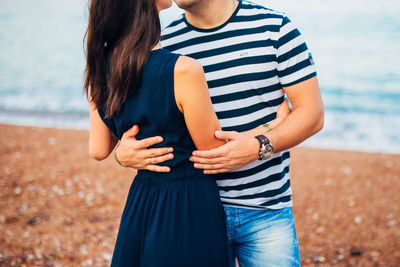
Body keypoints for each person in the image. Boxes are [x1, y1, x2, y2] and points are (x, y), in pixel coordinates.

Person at [115, 0, 324, 266]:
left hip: (265, 209)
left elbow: (312, 113)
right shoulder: (165, 43)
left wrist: (258, 146)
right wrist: (122, 154)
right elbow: (140, 121)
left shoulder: (275, 28)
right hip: (191, 211)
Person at [84, 0, 239, 265]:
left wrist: (123, 155)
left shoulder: (100, 71)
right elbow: (214, 150)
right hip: (188, 202)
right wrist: (272, 125)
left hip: (142, 198)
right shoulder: (183, 70)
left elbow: (98, 150)